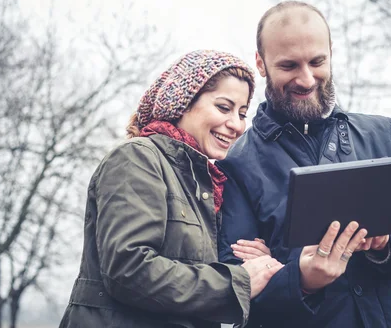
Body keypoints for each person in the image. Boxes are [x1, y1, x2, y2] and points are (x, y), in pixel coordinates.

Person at [217, 1, 391, 328]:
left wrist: (389, 242)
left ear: (331, 51)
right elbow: (237, 284)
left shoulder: (383, 134)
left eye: (317, 61)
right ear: (261, 63)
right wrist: (300, 279)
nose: (306, 79)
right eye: (288, 66)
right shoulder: (237, 163)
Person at [60, 50, 284, 328]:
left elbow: (195, 268)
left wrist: (257, 259)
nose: (237, 125)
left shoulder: (205, 184)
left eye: (242, 113)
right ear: (182, 103)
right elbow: (128, 269)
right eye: (224, 108)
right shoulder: (138, 157)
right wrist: (240, 282)